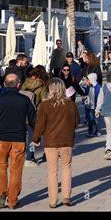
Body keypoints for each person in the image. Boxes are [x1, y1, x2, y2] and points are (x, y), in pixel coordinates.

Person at [0, 73, 36, 210]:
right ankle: (13, 200)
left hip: (0, 139)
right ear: (19, 84)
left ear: (4, 85)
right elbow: (33, 120)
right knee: (16, 170)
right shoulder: (24, 100)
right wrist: (36, 137)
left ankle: (1, 194)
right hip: (18, 139)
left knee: (0, 168)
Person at [33, 78, 79, 208]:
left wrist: (36, 138)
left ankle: (53, 201)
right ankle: (66, 197)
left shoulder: (45, 105)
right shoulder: (71, 104)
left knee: (52, 171)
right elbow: (76, 122)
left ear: (51, 90)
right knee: (66, 168)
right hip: (66, 140)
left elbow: (40, 124)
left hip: (51, 141)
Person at [20, 65, 49, 166]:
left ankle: (26, 156)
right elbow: (44, 102)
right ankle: (30, 157)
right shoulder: (42, 86)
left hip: (23, 112)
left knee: (26, 135)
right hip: (35, 113)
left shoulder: (26, 82)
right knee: (35, 136)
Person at [81, 73, 101, 137]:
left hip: (95, 106)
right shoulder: (88, 86)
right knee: (90, 119)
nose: (87, 81)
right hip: (89, 105)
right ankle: (90, 131)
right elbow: (80, 85)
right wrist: (83, 80)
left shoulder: (98, 87)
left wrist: (99, 107)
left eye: (88, 80)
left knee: (96, 120)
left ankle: (97, 131)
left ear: (92, 80)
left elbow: (100, 98)